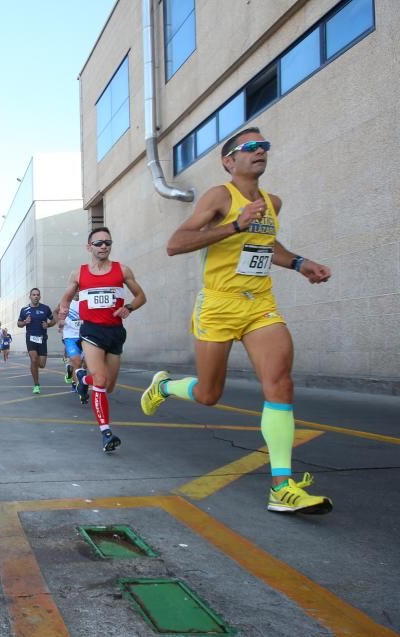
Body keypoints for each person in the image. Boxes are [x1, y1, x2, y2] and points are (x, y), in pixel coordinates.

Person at [140, 127, 333, 514]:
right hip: (218, 304)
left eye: (265, 145)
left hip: (259, 303)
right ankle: (165, 386)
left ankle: (282, 486)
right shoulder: (219, 196)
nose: (260, 151)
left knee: (280, 383)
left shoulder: (272, 202)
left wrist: (298, 263)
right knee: (209, 395)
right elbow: (175, 244)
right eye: (250, 147)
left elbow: (266, 246)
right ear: (229, 161)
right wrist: (235, 224)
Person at [58, 228, 147, 452]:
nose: (104, 246)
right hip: (91, 332)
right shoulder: (78, 274)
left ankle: (81, 377)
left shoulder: (122, 270)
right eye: (98, 243)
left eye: (108, 242)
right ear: (89, 247)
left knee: (108, 386)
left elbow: (141, 297)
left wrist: (128, 308)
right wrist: (63, 311)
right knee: (100, 380)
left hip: (115, 332)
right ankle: (106, 433)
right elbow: (66, 298)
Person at [17, 288, 56, 394]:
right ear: (30, 296)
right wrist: (25, 322)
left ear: (40, 296)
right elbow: (19, 324)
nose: (36, 296)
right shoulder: (24, 310)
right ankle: (36, 384)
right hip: (30, 338)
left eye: (37, 295)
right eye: (33, 295)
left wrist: (47, 324)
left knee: (42, 364)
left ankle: (34, 367)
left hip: (42, 338)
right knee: (34, 359)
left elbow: (53, 320)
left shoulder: (45, 308)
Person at [60, 294, 84, 395]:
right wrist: (60, 322)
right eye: (76, 289)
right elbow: (56, 312)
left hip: (83, 335)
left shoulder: (85, 301)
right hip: (69, 336)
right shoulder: (66, 302)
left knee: (82, 364)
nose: (78, 291)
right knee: (77, 362)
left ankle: (71, 373)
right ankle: (78, 388)